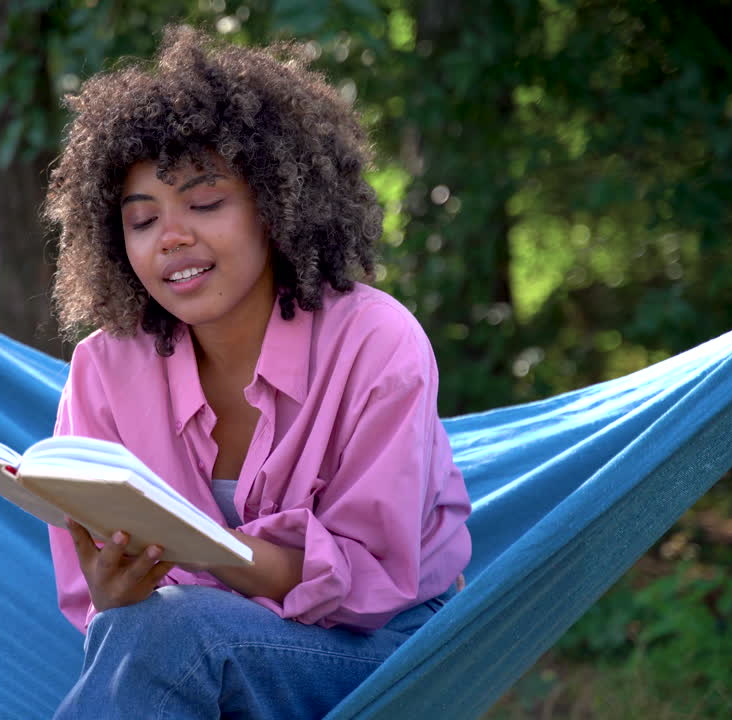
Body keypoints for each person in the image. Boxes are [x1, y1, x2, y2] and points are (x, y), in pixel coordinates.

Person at [41, 26, 471, 719]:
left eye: (205, 204)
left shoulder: (376, 342)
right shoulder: (103, 368)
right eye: (143, 219)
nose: (172, 236)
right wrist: (114, 593)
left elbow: (374, 578)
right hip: (187, 651)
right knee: (158, 631)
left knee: (175, 632)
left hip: (379, 654)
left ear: (276, 205)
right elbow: (105, 612)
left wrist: (201, 561)